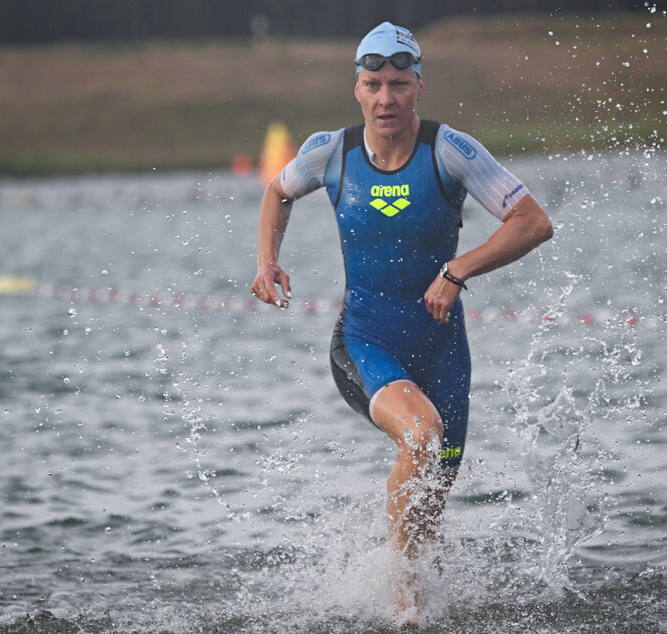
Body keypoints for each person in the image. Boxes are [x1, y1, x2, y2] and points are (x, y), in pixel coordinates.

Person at [250, 22, 553, 623]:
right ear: (356, 90)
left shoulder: (451, 152)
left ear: (419, 87)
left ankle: (420, 601)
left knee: (431, 500)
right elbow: (277, 193)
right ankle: (402, 606)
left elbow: (533, 221)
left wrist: (458, 268)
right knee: (420, 435)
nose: (385, 98)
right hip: (365, 342)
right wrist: (267, 261)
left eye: (398, 84)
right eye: (373, 85)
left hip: (445, 352)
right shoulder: (329, 153)